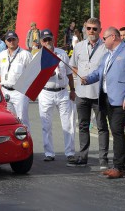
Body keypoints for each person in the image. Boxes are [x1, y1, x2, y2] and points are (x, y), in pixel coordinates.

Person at [81, 26, 125, 179]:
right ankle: (117, 166)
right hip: (107, 97)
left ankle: (119, 167)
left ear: (113, 37)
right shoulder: (107, 55)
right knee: (114, 130)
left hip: (121, 99)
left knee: (117, 130)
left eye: (105, 38)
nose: (103, 41)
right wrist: (87, 79)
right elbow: (99, 73)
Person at [68, 17, 109, 169]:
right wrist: (80, 76)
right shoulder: (78, 46)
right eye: (89, 28)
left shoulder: (106, 48)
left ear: (100, 30)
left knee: (102, 127)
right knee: (83, 126)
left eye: (95, 29)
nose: (91, 31)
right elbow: (72, 65)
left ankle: (103, 159)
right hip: (81, 92)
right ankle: (83, 156)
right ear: (85, 29)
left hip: (98, 93)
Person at [36, 29, 76, 162]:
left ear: (53, 39)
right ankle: (49, 153)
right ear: (41, 42)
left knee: (68, 123)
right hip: (46, 92)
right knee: (46, 124)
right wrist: (46, 74)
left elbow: (69, 73)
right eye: (45, 40)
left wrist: (73, 90)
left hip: (63, 91)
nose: (47, 42)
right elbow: (35, 78)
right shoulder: (38, 56)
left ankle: (69, 152)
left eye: (49, 39)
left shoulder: (62, 54)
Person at [0, 31, 32, 129]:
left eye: (13, 39)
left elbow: (33, 73)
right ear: (5, 42)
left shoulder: (25, 54)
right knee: (8, 120)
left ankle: (25, 142)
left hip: (20, 92)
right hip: (5, 91)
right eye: (9, 40)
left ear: (18, 40)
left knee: (22, 121)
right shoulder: (2, 55)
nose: (11, 42)